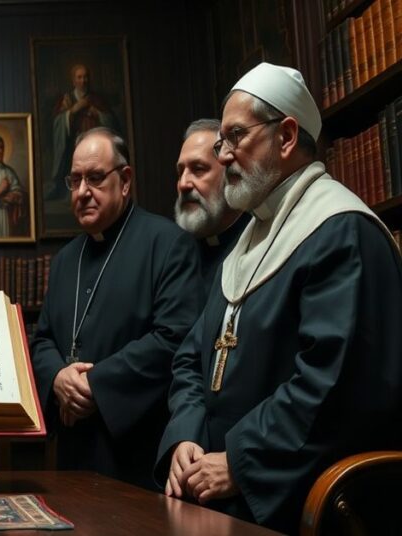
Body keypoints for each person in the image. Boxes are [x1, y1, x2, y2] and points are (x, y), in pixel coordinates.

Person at [157, 63, 402, 532]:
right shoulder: (247, 240)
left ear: (286, 136)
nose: (225, 155)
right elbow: (191, 358)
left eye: (234, 136)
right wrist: (185, 438)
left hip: (293, 495)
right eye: (221, 143)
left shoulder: (341, 230)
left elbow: (335, 384)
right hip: (216, 485)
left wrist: (240, 459)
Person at [30, 127, 201, 490]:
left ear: (125, 181)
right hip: (72, 453)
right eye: (74, 181)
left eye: (94, 179)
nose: (82, 192)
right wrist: (60, 379)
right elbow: (43, 340)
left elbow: (174, 339)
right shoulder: (64, 260)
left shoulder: (168, 244)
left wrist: (95, 384)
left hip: (133, 454)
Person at [174, 118, 248, 290]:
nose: (183, 184)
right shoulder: (174, 257)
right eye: (180, 172)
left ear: (230, 174)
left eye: (198, 169)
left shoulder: (260, 243)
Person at [45, 64, 118, 200]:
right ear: (73, 80)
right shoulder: (66, 100)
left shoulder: (96, 99)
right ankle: (70, 193)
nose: (83, 81)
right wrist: (73, 111)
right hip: (72, 145)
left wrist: (96, 113)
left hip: (94, 145)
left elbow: (111, 121)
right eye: (79, 77)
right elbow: (56, 123)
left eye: (85, 77)